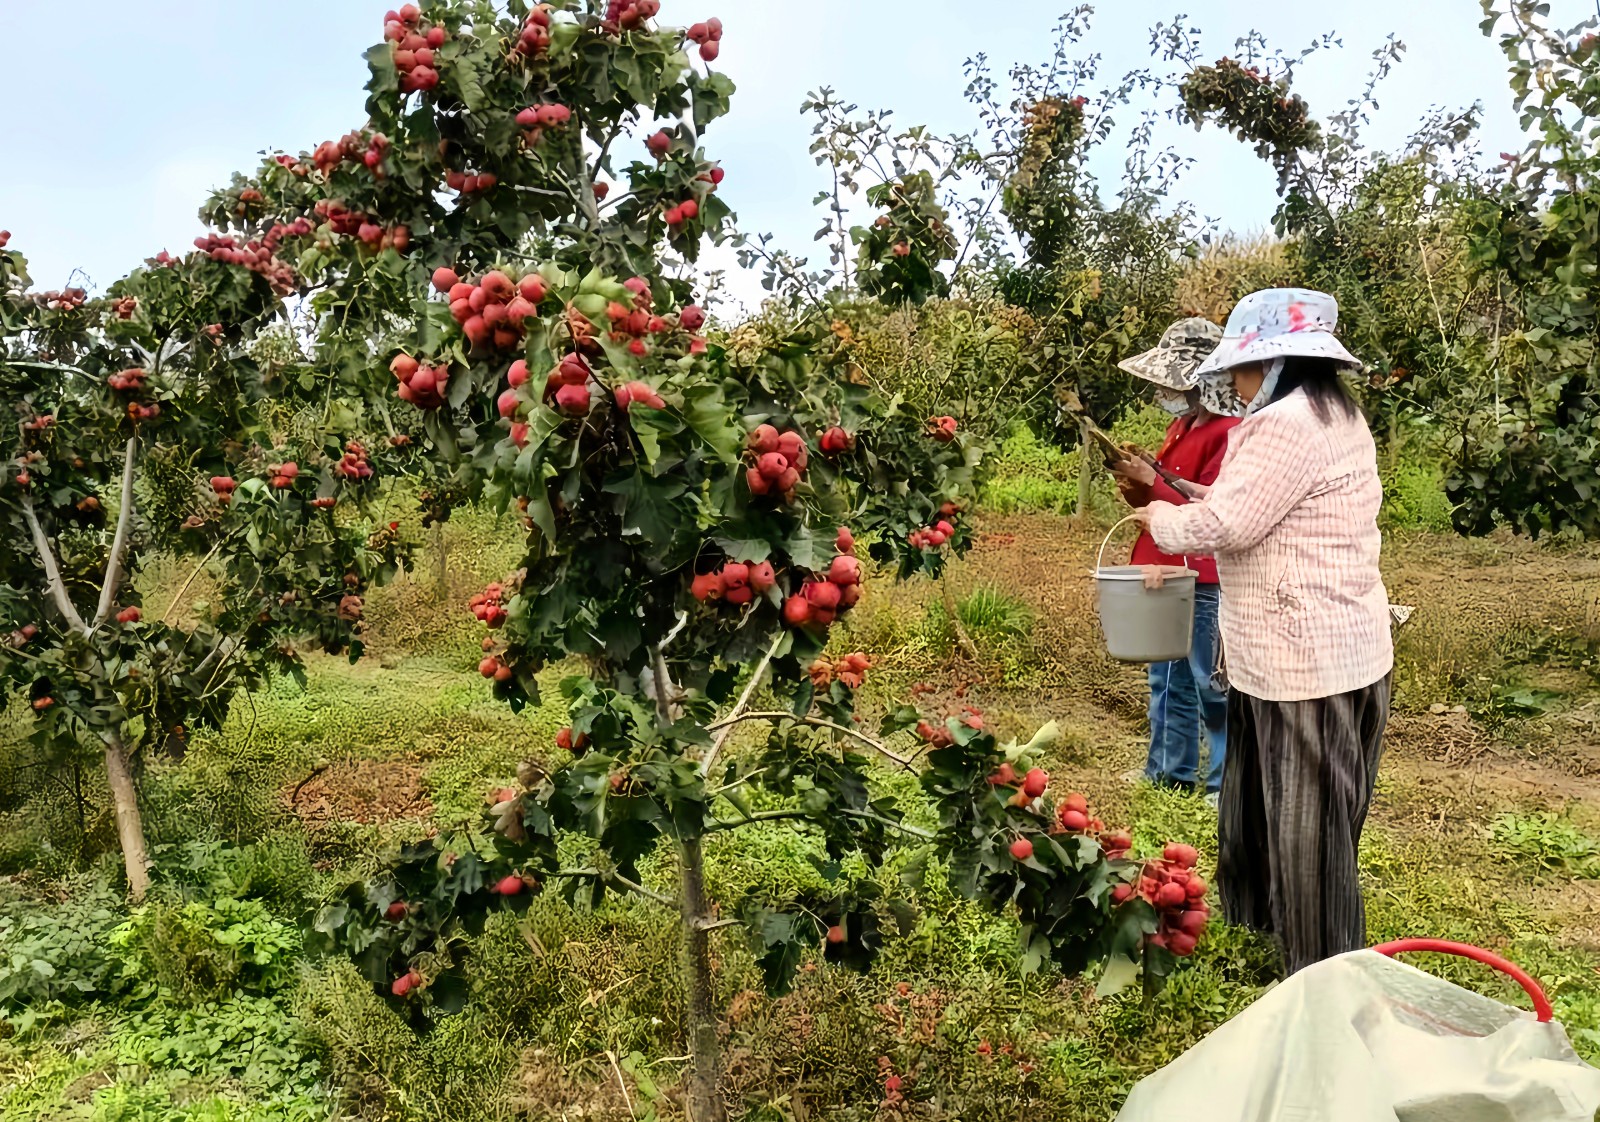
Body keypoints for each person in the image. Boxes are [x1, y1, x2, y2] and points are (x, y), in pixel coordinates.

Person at [1131, 288, 1393, 975]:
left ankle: (1320, 975)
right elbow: (1249, 500)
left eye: (1244, 369)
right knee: (1252, 803)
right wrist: (1173, 491)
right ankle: (1255, 931)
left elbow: (1226, 527)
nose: (1238, 383)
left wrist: (1156, 519)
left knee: (1308, 833)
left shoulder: (1285, 424)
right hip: (1321, 650)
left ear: (1276, 364)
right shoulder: (1335, 415)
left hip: (1304, 663)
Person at [1109, 318, 1242, 799]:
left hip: (1202, 575)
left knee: (1211, 683)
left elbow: (1213, 512)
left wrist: (1155, 482)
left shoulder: (1231, 432)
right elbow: (1161, 505)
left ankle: (1222, 783)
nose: (1165, 390)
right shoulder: (1181, 426)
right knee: (1167, 678)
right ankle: (1168, 772)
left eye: (1175, 380)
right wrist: (1140, 481)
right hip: (1163, 566)